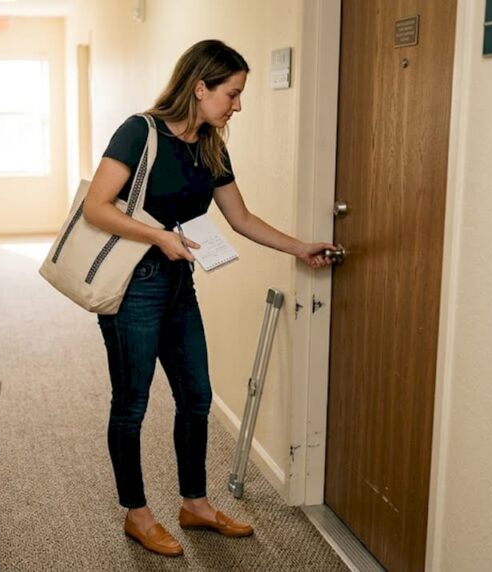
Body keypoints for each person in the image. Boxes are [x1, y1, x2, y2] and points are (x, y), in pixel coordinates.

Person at [81, 39, 335, 557]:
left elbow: (240, 218)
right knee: (131, 404)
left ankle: (194, 504)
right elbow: (95, 208)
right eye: (232, 94)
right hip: (135, 286)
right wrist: (159, 237)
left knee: (196, 397)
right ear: (200, 88)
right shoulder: (140, 132)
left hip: (178, 285)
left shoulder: (210, 143)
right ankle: (138, 513)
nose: (237, 105)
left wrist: (300, 247)